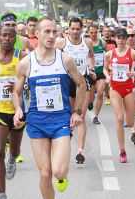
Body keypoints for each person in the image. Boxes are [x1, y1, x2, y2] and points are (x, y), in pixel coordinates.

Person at [12, 17, 86, 199]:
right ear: (36, 34)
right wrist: (17, 109)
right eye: (47, 31)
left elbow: (82, 84)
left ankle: (61, 177)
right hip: (36, 122)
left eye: (54, 32)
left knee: (59, 171)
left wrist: (77, 112)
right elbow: (16, 91)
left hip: (60, 120)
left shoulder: (65, 60)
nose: (52, 35)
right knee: (45, 173)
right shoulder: (26, 63)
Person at [0, 26, 27, 199]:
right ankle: (2, 193)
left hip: (17, 110)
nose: (7, 39)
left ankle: (13, 158)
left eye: (10, 36)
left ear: (15, 39)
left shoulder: (22, 57)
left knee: (14, 150)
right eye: (4, 35)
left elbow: (31, 79)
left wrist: (19, 86)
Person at [55, 17, 95, 165]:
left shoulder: (88, 42)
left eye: (78, 29)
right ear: (68, 29)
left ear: (82, 29)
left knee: (80, 116)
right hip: (67, 83)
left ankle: (80, 151)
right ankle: (66, 142)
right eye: (73, 28)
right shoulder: (62, 43)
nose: (75, 31)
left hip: (82, 83)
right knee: (69, 116)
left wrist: (91, 68)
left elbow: (91, 57)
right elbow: (55, 59)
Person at [103, 28, 135, 162]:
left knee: (130, 121)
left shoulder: (133, 54)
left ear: (127, 39)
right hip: (115, 88)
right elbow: (105, 68)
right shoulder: (109, 54)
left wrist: (134, 74)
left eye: (123, 37)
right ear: (115, 39)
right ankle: (122, 150)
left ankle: (134, 113)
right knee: (120, 118)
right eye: (118, 37)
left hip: (129, 88)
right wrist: (107, 77)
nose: (121, 40)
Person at [87, 25, 106, 125]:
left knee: (100, 92)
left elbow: (106, 56)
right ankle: (89, 102)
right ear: (88, 33)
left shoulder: (102, 43)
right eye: (91, 32)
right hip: (90, 73)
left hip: (100, 72)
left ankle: (95, 116)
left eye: (95, 32)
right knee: (90, 97)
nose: (93, 34)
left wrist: (108, 68)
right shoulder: (85, 43)